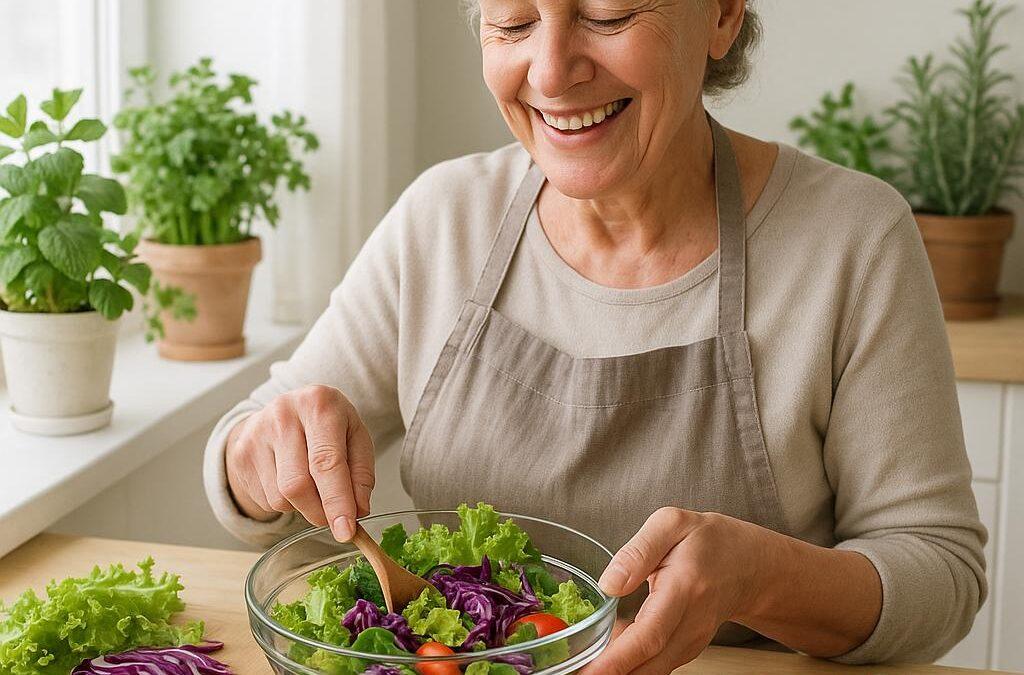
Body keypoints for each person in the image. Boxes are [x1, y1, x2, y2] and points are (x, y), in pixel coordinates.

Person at [203, 1, 986, 671]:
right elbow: (257, 453)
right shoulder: (443, 219)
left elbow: (939, 572)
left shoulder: (853, 239)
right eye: (512, 22)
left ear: (721, 12)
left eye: (607, 14)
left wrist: (763, 579)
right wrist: (260, 454)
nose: (549, 70)